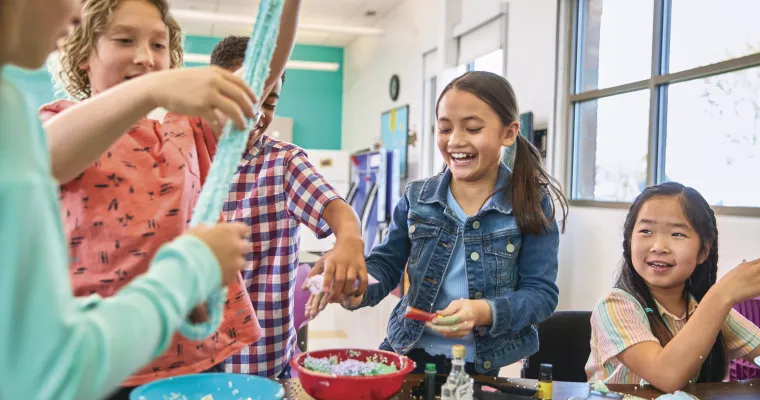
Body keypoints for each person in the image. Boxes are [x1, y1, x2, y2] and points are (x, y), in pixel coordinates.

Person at [39, 0, 301, 397]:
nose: (146, 58)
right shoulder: (56, 121)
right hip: (100, 361)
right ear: (82, 55)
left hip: (193, 357)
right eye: (125, 40)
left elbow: (265, 63)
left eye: (159, 46)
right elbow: (46, 156)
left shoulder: (187, 130)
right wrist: (150, 89)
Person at [309, 71, 569, 376]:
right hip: (407, 352)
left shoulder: (532, 202)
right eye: (445, 129)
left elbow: (541, 295)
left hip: (478, 366)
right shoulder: (417, 197)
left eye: (473, 128)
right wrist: (355, 286)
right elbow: (386, 266)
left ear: (509, 133)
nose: (455, 140)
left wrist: (484, 311)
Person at [209, 35, 368, 379]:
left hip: (258, 366)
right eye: (245, 95)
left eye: (269, 102)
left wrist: (350, 240)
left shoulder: (282, 163)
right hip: (191, 363)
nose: (257, 112)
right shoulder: (185, 156)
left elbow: (337, 209)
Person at [585, 182, 760, 392]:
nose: (658, 247)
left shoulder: (703, 308)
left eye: (677, 234)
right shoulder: (614, 306)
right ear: (630, 240)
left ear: (703, 251)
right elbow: (666, 377)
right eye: (646, 231)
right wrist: (723, 293)